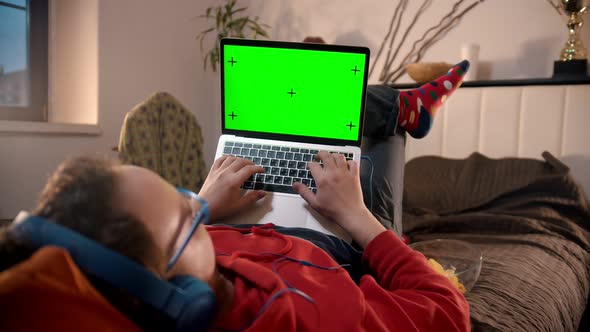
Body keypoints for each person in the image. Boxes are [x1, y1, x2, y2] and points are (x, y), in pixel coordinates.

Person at [0, 62, 471, 331]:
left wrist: (206, 202)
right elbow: (447, 311)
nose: (198, 205)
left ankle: (399, 107)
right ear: (180, 300)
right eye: (189, 219)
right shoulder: (309, 315)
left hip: (252, 229)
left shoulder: (188, 267)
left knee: (325, 113)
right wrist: (357, 217)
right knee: (373, 156)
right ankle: (404, 111)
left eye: (180, 192)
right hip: (336, 242)